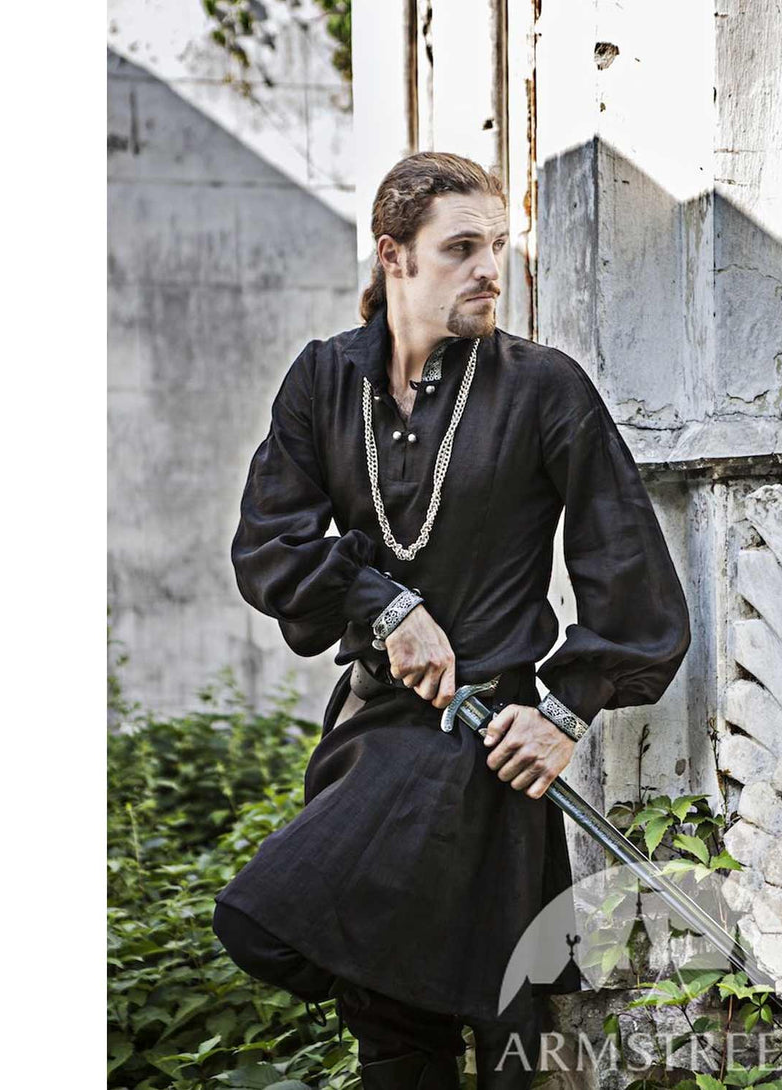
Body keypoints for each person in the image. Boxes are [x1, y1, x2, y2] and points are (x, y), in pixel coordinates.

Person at [212, 151, 691, 1089]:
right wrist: (384, 605)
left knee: (490, 1032)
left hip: (488, 746)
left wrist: (562, 713)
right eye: (461, 248)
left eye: (498, 246)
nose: (490, 269)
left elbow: (631, 574)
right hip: (373, 734)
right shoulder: (322, 381)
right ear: (394, 255)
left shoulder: (543, 387)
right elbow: (268, 545)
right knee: (352, 993)